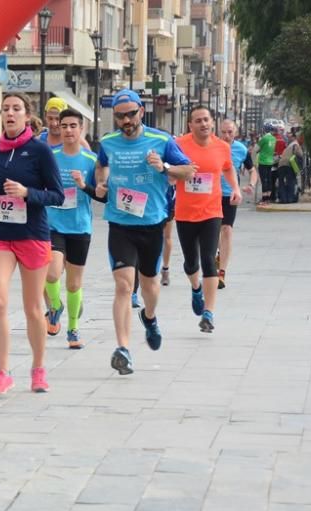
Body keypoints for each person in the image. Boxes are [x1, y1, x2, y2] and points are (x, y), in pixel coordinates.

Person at [95, 89, 193, 375]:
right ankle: (123, 348)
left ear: (141, 111)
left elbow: (188, 170)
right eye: (120, 116)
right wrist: (101, 183)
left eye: (131, 114)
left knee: (149, 285)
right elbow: (100, 166)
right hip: (120, 223)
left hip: (151, 224)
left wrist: (163, 166)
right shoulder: (108, 142)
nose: (126, 120)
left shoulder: (161, 140)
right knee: (124, 286)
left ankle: (149, 318)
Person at [0, 92, 64, 394]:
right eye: (5, 109)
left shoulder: (40, 151)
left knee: (33, 307)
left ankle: (38, 369)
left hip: (32, 234)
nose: (10, 113)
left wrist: (28, 193)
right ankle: (3, 372)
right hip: (0, 233)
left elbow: (57, 194)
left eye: (16, 109)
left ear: (27, 115)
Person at [173, 105, 240, 334]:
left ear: (212, 123)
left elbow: (228, 169)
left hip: (212, 212)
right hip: (184, 213)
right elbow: (169, 170)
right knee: (191, 263)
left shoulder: (222, 147)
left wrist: (236, 188)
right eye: (198, 120)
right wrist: (174, 174)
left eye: (206, 120)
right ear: (190, 125)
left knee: (209, 260)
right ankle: (195, 288)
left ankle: (208, 313)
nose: (203, 124)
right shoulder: (179, 145)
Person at [45, 108, 102, 349]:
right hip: (52, 224)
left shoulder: (91, 161)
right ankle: (55, 306)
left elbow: (101, 194)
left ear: (81, 129)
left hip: (79, 226)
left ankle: (73, 328)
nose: (68, 130)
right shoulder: (50, 156)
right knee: (51, 273)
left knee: (74, 284)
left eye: (73, 126)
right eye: (64, 125)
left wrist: (83, 185)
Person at [217, 119, 258, 289]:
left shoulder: (241, 149)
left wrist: (251, 185)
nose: (226, 136)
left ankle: (221, 273)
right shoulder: (212, 146)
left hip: (230, 195)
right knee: (212, 232)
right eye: (224, 132)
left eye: (230, 132)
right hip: (211, 195)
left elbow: (252, 170)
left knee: (226, 230)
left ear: (235, 133)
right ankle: (216, 255)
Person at [277, 131, 304, 204]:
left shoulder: (290, 145)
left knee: (281, 182)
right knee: (290, 182)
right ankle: (290, 199)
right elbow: (301, 155)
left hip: (281, 165)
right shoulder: (296, 145)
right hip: (289, 165)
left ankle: (283, 199)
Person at [256, 124, 276, 204]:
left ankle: (264, 198)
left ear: (264, 130)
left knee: (264, 180)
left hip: (263, 161)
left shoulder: (264, 138)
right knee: (269, 179)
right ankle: (268, 197)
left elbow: (256, 149)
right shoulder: (274, 139)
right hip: (270, 161)